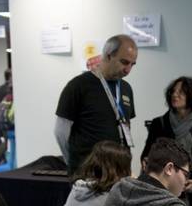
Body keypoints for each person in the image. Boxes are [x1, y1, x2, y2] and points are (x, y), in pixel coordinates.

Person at [55, 35, 138, 172]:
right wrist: (74, 162)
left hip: (118, 171)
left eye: (132, 64)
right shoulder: (78, 86)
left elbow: (126, 125)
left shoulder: (126, 88)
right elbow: (60, 132)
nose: (128, 70)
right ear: (109, 56)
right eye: (124, 62)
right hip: (88, 173)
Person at [141, 77, 192, 206]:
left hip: (191, 193)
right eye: (173, 91)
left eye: (181, 92)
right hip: (162, 190)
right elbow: (146, 157)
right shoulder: (159, 124)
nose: (175, 95)